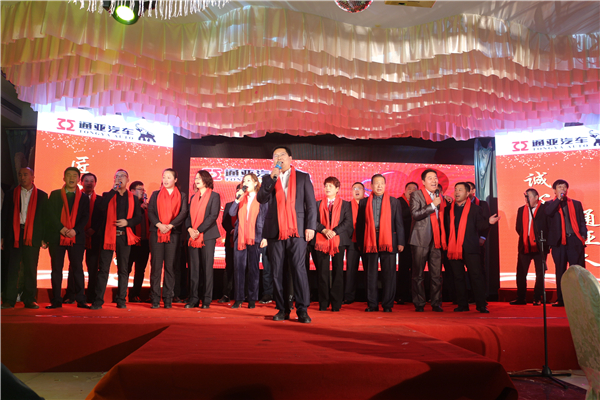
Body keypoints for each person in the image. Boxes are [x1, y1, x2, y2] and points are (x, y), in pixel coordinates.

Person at [257, 146, 317, 323]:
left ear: (290, 158)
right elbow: (261, 198)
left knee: (299, 269)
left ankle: (302, 309)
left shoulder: (303, 177)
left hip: (297, 230)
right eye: (275, 155)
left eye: (282, 154)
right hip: (275, 231)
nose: (279, 157)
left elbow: (311, 204)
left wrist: (310, 226)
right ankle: (282, 308)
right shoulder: (268, 178)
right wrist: (272, 178)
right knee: (277, 271)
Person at [445, 182, 500, 313]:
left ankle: (481, 304)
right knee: (458, 277)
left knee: (476, 276)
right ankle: (462, 304)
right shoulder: (448, 209)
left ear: (467, 193)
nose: (457, 192)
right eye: (455, 189)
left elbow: (480, 226)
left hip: (470, 247)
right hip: (453, 248)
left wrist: (488, 222)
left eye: (460, 190)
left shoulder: (476, 209)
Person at [91, 169, 142, 310]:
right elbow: (101, 208)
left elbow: (138, 217)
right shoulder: (107, 195)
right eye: (117, 176)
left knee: (123, 270)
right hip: (108, 236)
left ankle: (121, 300)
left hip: (124, 237)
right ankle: (98, 301)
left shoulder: (133, 198)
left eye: (123, 176)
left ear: (128, 179)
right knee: (103, 269)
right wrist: (113, 190)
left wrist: (128, 222)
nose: (120, 178)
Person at [356, 174, 405, 313]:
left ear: (385, 185)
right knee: (370, 274)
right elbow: (360, 224)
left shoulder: (394, 202)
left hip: (389, 240)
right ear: (371, 185)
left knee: (389, 274)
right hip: (370, 239)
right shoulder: (364, 202)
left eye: (381, 183)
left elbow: (399, 223)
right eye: (376, 183)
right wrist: (360, 242)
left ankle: (387, 304)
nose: (379, 186)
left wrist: (400, 242)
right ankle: (372, 304)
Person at [1, 168, 48, 309]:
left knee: (30, 268)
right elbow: (4, 216)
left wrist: (44, 238)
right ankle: (9, 299)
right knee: (12, 267)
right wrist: (2, 237)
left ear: (33, 176)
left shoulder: (42, 195)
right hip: (13, 235)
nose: (22, 177)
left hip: (33, 235)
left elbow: (45, 218)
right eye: (20, 175)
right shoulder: (11, 194)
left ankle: (29, 299)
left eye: (25, 175)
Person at [45, 167, 90, 309]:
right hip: (57, 236)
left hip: (76, 238)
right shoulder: (55, 194)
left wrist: (75, 231)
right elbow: (50, 214)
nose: (71, 178)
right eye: (68, 175)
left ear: (78, 179)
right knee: (56, 268)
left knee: (77, 268)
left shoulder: (83, 197)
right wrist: (62, 229)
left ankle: (81, 299)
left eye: (74, 175)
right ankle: (56, 300)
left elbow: (85, 217)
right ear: (64, 178)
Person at [147, 169, 188, 309]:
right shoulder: (155, 194)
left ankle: (168, 298)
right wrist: (159, 224)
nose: (165, 180)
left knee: (170, 267)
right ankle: (155, 298)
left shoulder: (182, 195)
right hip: (156, 233)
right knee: (156, 267)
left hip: (173, 233)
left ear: (175, 180)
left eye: (169, 177)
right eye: (164, 177)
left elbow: (183, 212)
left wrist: (170, 225)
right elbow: (150, 211)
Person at [545, 179, 587, 307]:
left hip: (574, 241)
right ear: (554, 190)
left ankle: (579, 299)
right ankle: (562, 299)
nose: (562, 189)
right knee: (561, 272)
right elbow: (548, 213)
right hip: (559, 243)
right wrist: (558, 200)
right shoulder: (549, 204)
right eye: (559, 187)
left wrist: (583, 236)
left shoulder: (576, 204)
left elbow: (582, 221)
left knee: (577, 271)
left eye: (564, 187)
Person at [313, 177, 353, 312]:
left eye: (331, 186)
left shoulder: (345, 204)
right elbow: (313, 220)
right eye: (326, 186)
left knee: (338, 272)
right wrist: (324, 230)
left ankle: (336, 304)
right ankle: (323, 303)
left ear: (337, 189)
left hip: (338, 241)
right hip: (321, 239)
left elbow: (348, 222)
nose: (327, 188)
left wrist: (334, 232)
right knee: (322, 273)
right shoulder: (318, 204)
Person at [229, 173, 269, 309]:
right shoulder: (241, 198)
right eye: (244, 181)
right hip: (240, 237)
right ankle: (238, 298)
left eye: (248, 180)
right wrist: (237, 199)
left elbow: (266, 218)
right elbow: (231, 213)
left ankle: (252, 299)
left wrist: (265, 237)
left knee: (253, 269)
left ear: (255, 183)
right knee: (238, 268)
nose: (245, 183)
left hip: (255, 236)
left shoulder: (261, 198)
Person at [63, 173, 103, 304]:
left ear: (95, 183)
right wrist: (78, 229)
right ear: (81, 182)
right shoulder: (76, 197)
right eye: (86, 181)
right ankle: (71, 294)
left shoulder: (100, 200)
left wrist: (93, 229)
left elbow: (102, 217)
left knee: (93, 268)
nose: (89, 183)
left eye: (92, 181)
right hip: (77, 235)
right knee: (74, 266)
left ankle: (90, 295)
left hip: (94, 237)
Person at [410, 169, 446, 312]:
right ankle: (419, 303)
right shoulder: (416, 195)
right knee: (418, 275)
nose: (434, 181)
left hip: (436, 239)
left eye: (435, 178)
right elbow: (415, 214)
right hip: (420, 239)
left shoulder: (440, 196)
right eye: (430, 178)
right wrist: (432, 205)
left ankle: (436, 303)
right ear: (423, 182)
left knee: (436, 275)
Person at [185, 170, 221, 309]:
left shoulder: (214, 196)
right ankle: (193, 299)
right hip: (193, 236)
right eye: (195, 178)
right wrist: (190, 229)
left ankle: (206, 299)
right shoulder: (193, 197)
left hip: (207, 236)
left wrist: (198, 230)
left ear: (206, 179)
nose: (196, 180)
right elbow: (188, 217)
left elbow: (213, 216)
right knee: (194, 269)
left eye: (199, 178)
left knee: (207, 268)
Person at [510, 188, 548, 306]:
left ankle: (537, 297)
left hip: (540, 246)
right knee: (521, 272)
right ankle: (521, 297)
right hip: (525, 246)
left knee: (540, 273)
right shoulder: (521, 210)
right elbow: (518, 228)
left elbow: (548, 227)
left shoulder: (544, 209)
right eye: (525, 197)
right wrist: (527, 237)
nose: (526, 199)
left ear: (536, 198)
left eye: (529, 197)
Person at [127, 181, 150, 303]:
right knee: (126, 269)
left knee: (140, 270)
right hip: (131, 241)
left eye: (143, 189)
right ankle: (121, 294)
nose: (143, 191)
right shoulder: (127, 203)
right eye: (140, 189)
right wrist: (140, 209)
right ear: (132, 191)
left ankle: (135, 294)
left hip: (144, 242)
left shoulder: (146, 206)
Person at [343, 182, 366, 305]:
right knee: (351, 269)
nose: (357, 191)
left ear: (364, 191)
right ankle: (349, 296)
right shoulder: (347, 205)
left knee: (369, 269)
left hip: (366, 241)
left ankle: (370, 296)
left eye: (359, 188)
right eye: (354, 189)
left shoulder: (368, 204)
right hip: (352, 241)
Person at [396, 181, 418, 304]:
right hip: (403, 241)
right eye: (409, 188)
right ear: (405, 190)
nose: (411, 191)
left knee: (416, 270)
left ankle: (414, 295)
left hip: (417, 241)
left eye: (414, 189)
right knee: (403, 269)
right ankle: (401, 295)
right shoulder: (398, 202)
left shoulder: (420, 202)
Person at [219, 187, 239, 304]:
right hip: (231, 239)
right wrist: (232, 230)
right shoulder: (229, 205)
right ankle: (226, 294)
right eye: (238, 191)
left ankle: (243, 294)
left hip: (244, 241)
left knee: (244, 268)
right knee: (229, 267)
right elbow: (225, 221)